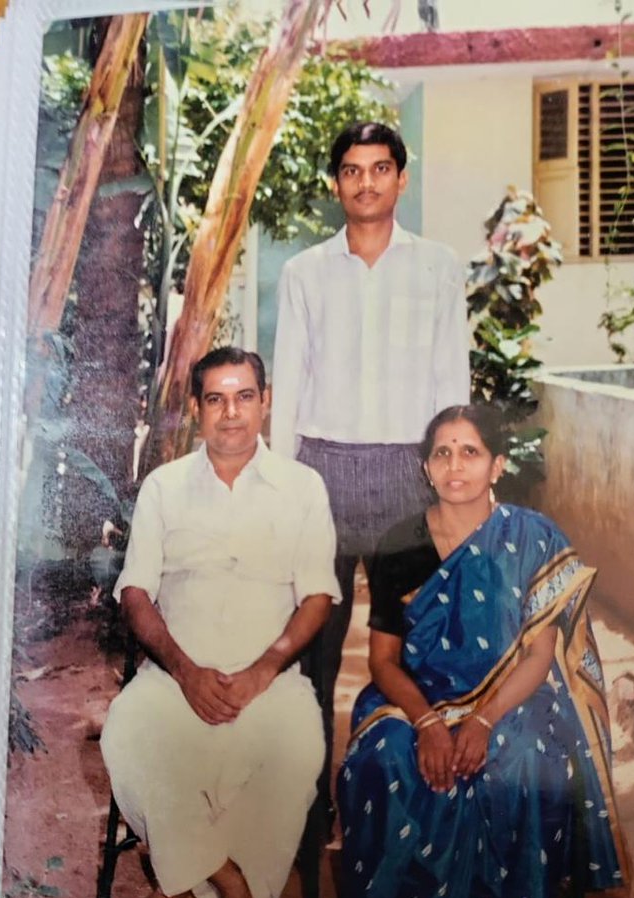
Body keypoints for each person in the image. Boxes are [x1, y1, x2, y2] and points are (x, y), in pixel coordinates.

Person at [327, 405, 628, 898]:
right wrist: (431, 722)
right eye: (442, 452)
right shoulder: (399, 544)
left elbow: (539, 656)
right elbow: (384, 662)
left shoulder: (532, 538)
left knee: (517, 759)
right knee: (385, 758)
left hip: (515, 697)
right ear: (425, 467)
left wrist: (485, 720)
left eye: (469, 451)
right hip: (419, 697)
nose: (455, 464)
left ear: (497, 465)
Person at [100, 347, 340, 898]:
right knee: (131, 732)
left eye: (243, 397)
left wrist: (264, 670)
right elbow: (135, 593)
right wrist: (184, 672)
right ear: (197, 410)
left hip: (269, 682)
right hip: (177, 673)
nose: (230, 413)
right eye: (215, 399)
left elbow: (317, 595)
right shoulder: (164, 487)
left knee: (295, 749)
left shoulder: (303, 488)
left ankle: (177, 880)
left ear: (265, 403)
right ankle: (225, 884)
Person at [270, 120, 470, 820]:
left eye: (378, 169)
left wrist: (449, 474)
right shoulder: (304, 273)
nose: (365, 182)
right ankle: (307, 806)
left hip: (403, 482)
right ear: (336, 184)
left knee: (409, 650)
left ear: (400, 178)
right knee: (313, 656)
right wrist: (283, 483)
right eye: (351, 171)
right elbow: (289, 385)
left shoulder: (439, 267)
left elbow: (452, 383)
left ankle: (402, 803)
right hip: (321, 472)